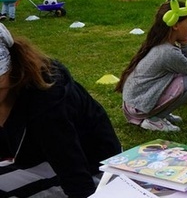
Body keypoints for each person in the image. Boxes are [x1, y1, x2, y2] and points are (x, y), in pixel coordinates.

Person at [0, 24, 121, 197]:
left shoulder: (46, 103)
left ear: (11, 66)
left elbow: (76, 179)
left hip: (94, 172)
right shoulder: (10, 92)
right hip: (40, 161)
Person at [116, 1, 187, 132]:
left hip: (134, 104)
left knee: (186, 78)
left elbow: (186, 68)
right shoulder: (167, 52)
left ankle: (159, 113)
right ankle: (154, 119)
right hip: (139, 107)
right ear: (175, 25)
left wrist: (185, 43)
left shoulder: (162, 45)